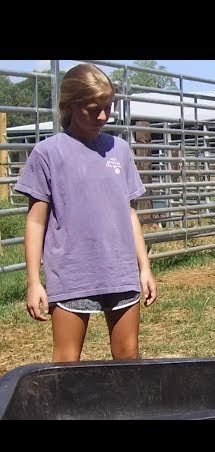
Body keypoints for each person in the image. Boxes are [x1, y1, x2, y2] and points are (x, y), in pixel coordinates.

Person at [15, 63, 157, 363]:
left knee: (129, 360)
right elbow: (35, 221)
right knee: (66, 364)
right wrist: (33, 281)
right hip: (71, 276)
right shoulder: (48, 153)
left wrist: (143, 267)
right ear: (69, 105)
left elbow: (130, 213)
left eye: (108, 107)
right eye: (93, 109)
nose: (103, 116)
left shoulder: (119, 150)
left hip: (120, 273)